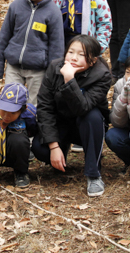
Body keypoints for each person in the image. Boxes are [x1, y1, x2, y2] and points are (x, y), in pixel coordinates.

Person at [32, 35, 111, 197]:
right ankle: (62, 150)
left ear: (94, 60)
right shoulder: (54, 67)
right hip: (62, 122)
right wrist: (54, 147)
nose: (74, 58)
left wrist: (69, 79)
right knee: (40, 149)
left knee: (92, 115)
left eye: (82, 54)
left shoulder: (102, 74)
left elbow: (83, 107)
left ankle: (93, 174)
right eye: (71, 52)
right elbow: (45, 107)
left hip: (88, 127)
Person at [0, 0, 64, 105]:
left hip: (38, 70)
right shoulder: (16, 6)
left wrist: (53, 77)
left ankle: (30, 127)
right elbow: (3, 37)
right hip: (14, 67)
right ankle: (12, 127)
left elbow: (56, 47)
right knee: (10, 103)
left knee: (34, 106)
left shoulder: (53, 12)